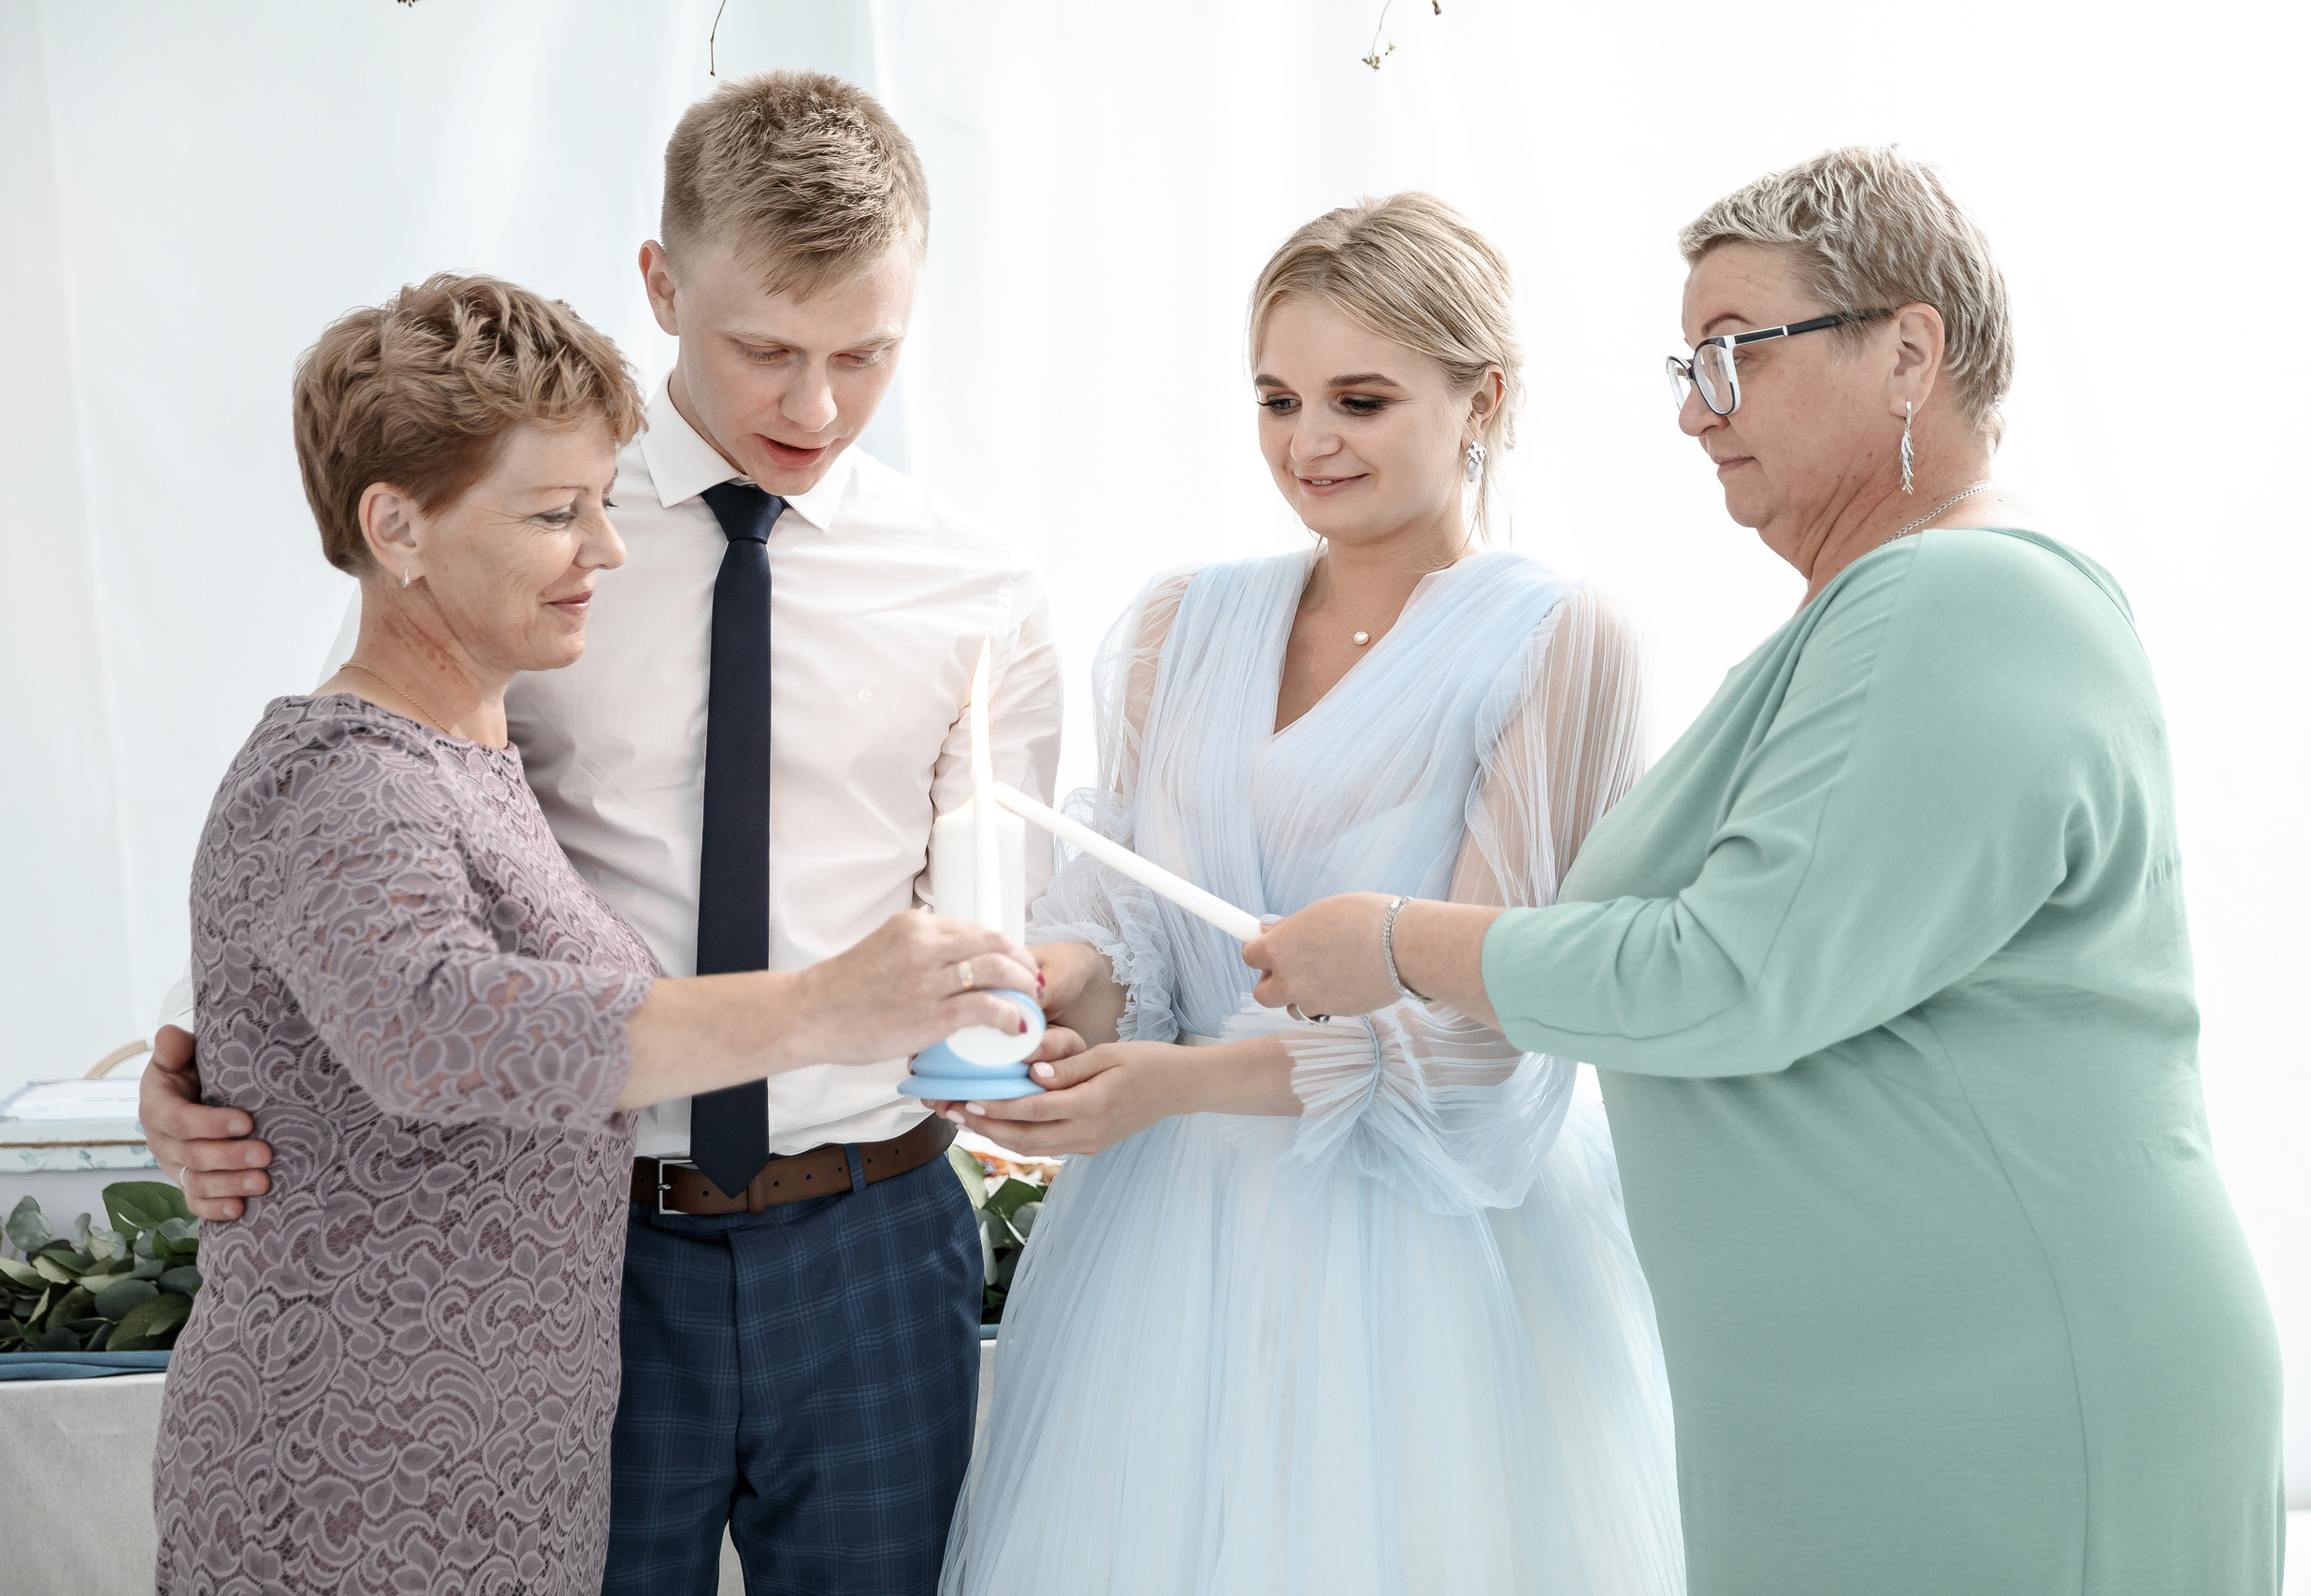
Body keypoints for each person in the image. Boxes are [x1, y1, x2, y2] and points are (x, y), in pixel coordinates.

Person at [1245, 149, 2284, 1596]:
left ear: (1908, 352)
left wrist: (1399, 944)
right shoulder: (1883, 612)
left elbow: (1732, 972)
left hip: (2003, 1412)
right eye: (1690, 364)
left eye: (1735, 353)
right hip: (1881, 1418)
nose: (1694, 409)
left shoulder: (1958, 597)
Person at [139, 73, 1062, 1595]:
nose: (813, 410)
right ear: (662, 285)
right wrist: (203, 1074)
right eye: (766, 350)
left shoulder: (978, 589)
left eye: (864, 355)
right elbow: (364, 831)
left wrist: (1076, 1023)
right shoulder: (512, 524)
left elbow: (1012, 919)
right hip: (594, 1250)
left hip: (874, 1234)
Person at [931, 194, 1682, 1594]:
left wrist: (1173, 1086)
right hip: (1160, 1252)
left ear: (1484, 399)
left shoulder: (1559, 637)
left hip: (1427, 1265)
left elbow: (1491, 1038)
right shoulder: (1180, 622)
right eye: (1278, 399)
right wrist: (1061, 984)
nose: (1308, 442)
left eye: (1360, 400)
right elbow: (1134, 922)